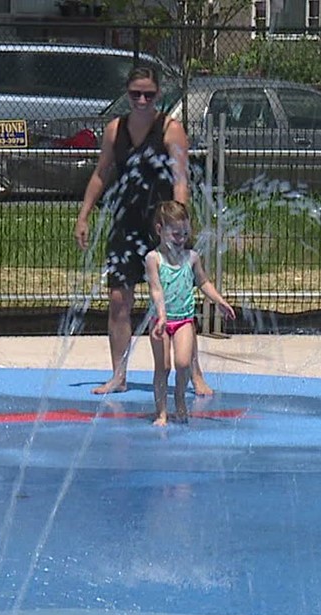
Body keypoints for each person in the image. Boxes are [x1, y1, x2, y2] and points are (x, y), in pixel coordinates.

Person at [73, 65, 213, 396]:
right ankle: (118, 375)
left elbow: (180, 180)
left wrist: (179, 224)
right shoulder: (114, 130)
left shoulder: (170, 129)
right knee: (119, 300)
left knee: (176, 303)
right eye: (135, 93)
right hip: (125, 224)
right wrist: (84, 215)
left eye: (148, 94)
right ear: (127, 93)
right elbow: (100, 173)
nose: (141, 100)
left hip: (161, 225)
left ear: (158, 95)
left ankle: (194, 374)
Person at [145, 201, 235, 426]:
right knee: (163, 367)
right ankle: (161, 412)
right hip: (159, 321)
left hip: (184, 320)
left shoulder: (192, 257)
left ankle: (179, 398)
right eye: (175, 233)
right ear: (160, 230)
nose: (181, 238)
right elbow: (156, 289)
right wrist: (162, 316)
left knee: (183, 363)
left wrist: (219, 301)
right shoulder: (153, 259)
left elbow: (203, 282)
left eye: (185, 233)